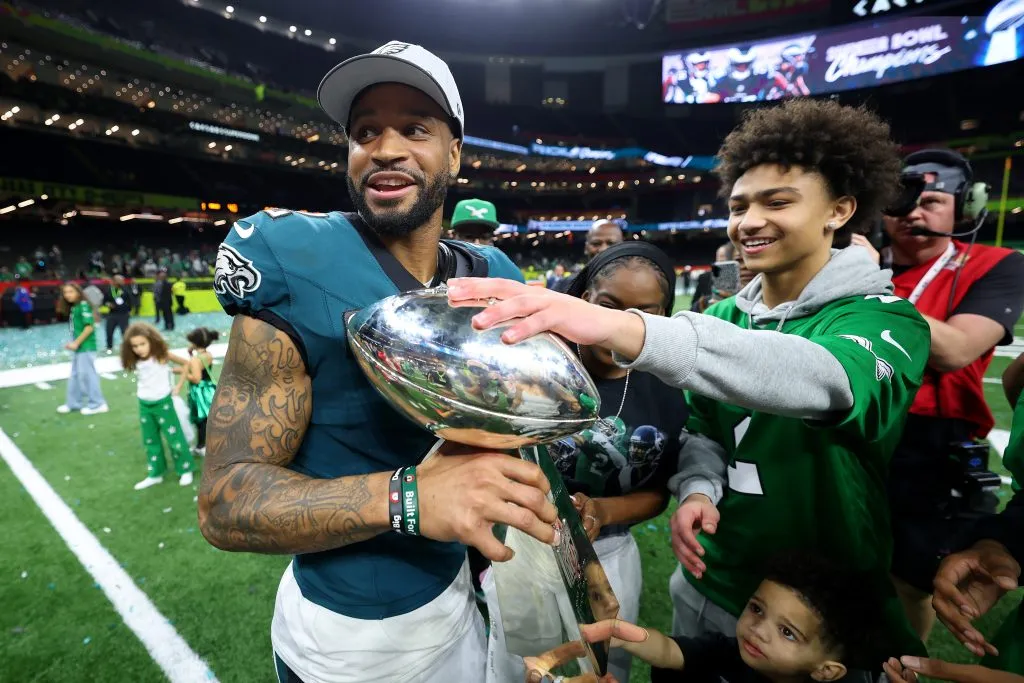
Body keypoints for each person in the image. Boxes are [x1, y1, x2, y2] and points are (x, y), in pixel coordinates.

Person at [448, 98, 931, 666]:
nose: (750, 221)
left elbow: (822, 379)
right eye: (740, 205)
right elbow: (703, 428)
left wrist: (624, 326)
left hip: (820, 613)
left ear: (840, 209)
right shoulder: (724, 318)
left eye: (778, 202)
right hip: (711, 584)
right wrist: (699, 489)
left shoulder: (884, 318)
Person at [198, 40, 560, 683]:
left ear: (455, 153)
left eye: (414, 128)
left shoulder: (494, 274)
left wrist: (568, 574)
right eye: (366, 131)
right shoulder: (292, 255)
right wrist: (411, 497)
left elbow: (521, 449)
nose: (385, 148)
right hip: (351, 637)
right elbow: (226, 501)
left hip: (462, 590)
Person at [482, 242, 689, 683]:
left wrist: (602, 511)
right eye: (609, 306)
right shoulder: (536, 362)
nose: (620, 325)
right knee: (518, 669)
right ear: (583, 301)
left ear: (666, 317)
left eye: (645, 314)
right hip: (526, 546)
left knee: (601, 669)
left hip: (609, 554)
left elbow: (657, 493)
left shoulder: (669, 386)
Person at [881, 149, 1024, 640]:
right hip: (851, 430)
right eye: (900, 203)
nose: (914, 213)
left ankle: (899, 667)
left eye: (933, 201)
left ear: (963, 209)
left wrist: (863, 287)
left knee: (909, 579)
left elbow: (956, 349)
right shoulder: (865, 265)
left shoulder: (998, 264)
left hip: (930, 443)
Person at [525, 553, 883, 683]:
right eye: (757, 609)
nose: (758, 630)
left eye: (788, 632)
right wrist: (620, 633)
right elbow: (670, 651)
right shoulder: (729, 653)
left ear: (827, 670)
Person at [121, 322, 196, 490]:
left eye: (142, 344)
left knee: (174, 437)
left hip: (163, 402)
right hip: (144, 403)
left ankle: (185, 469)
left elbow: (186, 363)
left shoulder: (161, 355)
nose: (139, 349)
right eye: (134, 346)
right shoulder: (135, 360)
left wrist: (178, 386)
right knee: (150, 440)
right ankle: (156, 473)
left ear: (151, 341)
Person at [57, 282, 108, 416]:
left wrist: (76, 343)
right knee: (75, 375)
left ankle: (98, 403)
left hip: (86, 347)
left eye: (71, 292)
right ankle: (74, 403)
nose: (68, 295)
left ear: (78, 292)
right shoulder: (75, 307)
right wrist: (73, 343)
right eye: (65, 293)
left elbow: (89, 327)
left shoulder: (83, 305)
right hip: (80, 347)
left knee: (88, 376)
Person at [175, 327, 220, 457]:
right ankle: (206, 444)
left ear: (195, 343)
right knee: (207, 418)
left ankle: (201, 446)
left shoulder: (196, 359)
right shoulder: (207, 354)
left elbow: (196, 378)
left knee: (200, 420)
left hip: (199, 392)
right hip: (209, 389)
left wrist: (182, 371)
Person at [103, 274, 133, 353]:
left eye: (122, 280)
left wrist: (128, 311)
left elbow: (130, 302)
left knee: (125, 332)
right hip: (112, 314)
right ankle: (109, 347)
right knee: (109, 331)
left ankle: (127, 348)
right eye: (120, 280)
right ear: (115, 281)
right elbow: (104, 301)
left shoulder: (126, 290)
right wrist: (108, 304)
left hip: (123, 314)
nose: (122, 281)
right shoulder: (109, 290)